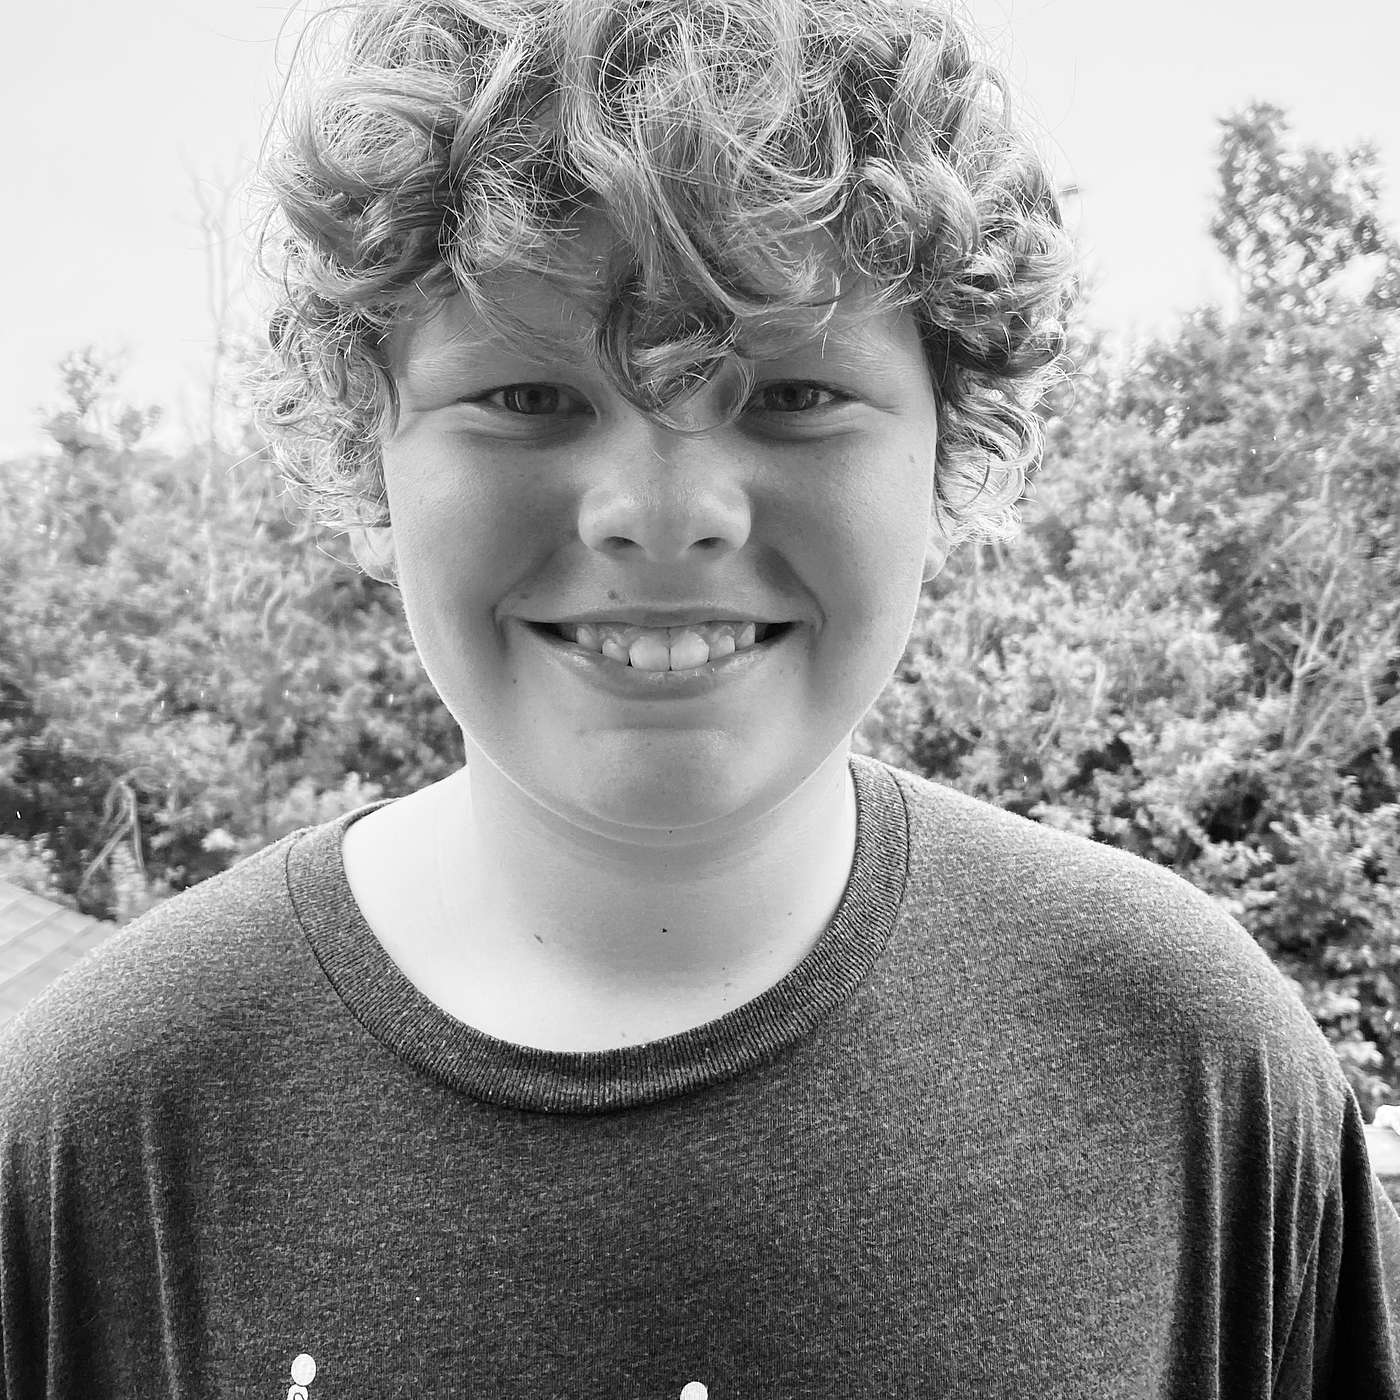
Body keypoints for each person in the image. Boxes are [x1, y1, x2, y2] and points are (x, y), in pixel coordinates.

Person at [2, 0, 1397, 1393]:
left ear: (951, 444)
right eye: (529, 398)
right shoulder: (106, 1122)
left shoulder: (1186, 1063)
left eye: (791, 394)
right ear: (369, 447)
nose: (664, 514)